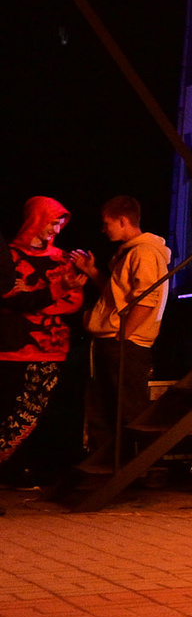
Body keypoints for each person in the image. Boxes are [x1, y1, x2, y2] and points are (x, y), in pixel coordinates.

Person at [3, 198, 93, 481]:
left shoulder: (61, 258)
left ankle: (20, 468)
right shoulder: (9, 256)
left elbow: (74, 301)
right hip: (12, 347)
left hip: (50, 347)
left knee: (35, 413)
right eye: (52, 221)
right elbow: (9, 299)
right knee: (8, 410)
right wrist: (42, 296)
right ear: (36, 219)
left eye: (60, 222)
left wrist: (35, 300)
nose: (56, 228)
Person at [82, 196, 170, 467]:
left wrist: (123, 335)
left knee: (128, 410)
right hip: (113, 340)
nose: (104, 229)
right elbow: (118, 297)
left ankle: (141, 470)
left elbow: (147, 299)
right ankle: (106, 466)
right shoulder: (131, 252)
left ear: (122, 221)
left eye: (107, 223)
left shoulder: (143, 252)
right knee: (104, 408)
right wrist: (92, 272)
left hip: (125, 343)